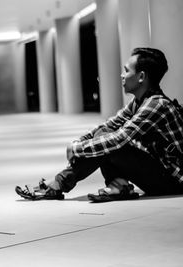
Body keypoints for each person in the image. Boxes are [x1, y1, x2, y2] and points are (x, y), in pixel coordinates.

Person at [16, 47, 183, 202]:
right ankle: (118, 187)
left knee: (109, 141)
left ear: (141, 77)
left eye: (126, 71)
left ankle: (58, 184)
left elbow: (119, 139)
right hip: (159, 172)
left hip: (172, 180)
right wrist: (79, 143)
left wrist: (77, 150)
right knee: (104, 132)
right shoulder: (139, 102)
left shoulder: (156, 105)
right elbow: (109, 125)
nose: (122, 75)